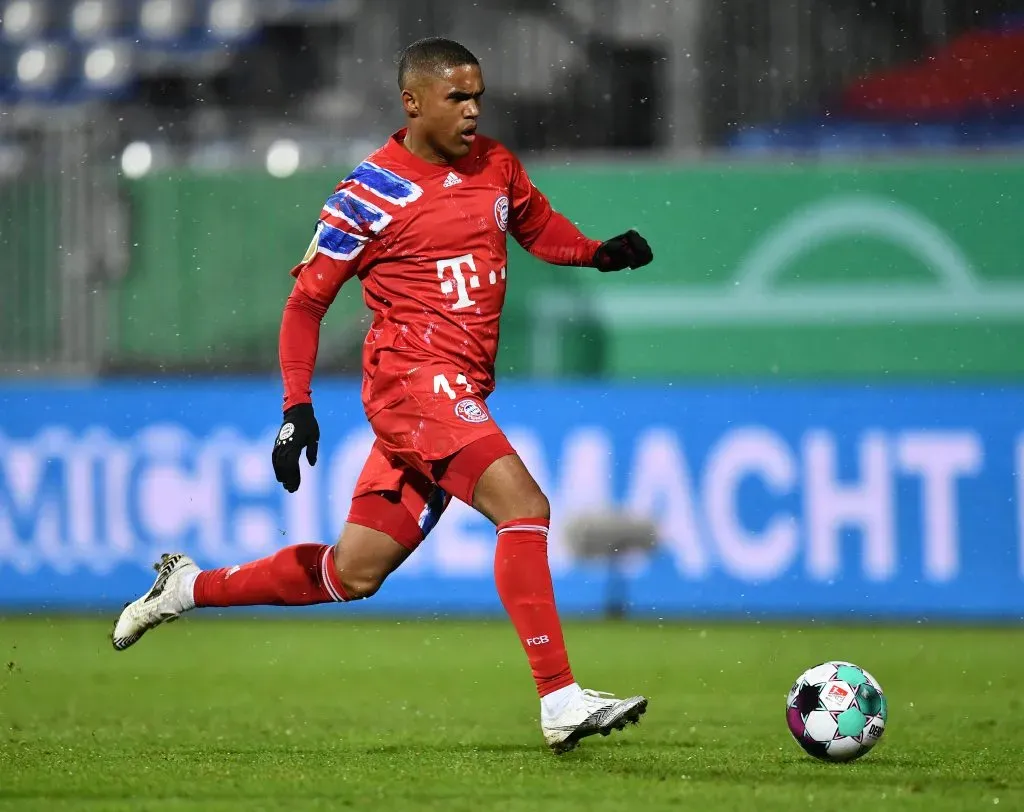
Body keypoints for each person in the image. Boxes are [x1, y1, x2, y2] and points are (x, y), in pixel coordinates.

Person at [112, 36, 654, 754]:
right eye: (457, 97)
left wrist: (594, 252)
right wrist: (296, 406)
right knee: (524, 508)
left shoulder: (496, 165)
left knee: (352, 572)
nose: (472, 110)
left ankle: (184, 589)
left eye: (478, 96)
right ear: (413, 102)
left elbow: (533, 224)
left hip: (455, 389)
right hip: (413, 385)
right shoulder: (368, 192)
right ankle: (559, 698)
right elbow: (305, 304)